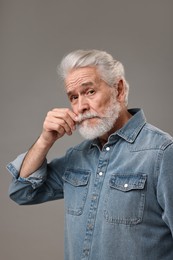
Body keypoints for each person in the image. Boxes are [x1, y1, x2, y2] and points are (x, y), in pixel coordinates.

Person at [7, 49, 173, 260]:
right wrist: (45, 140)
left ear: (119, 90)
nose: (81, 106)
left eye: (90, 92)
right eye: (73, 97)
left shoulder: (162, 152)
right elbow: (21, 191)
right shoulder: (76, 157)